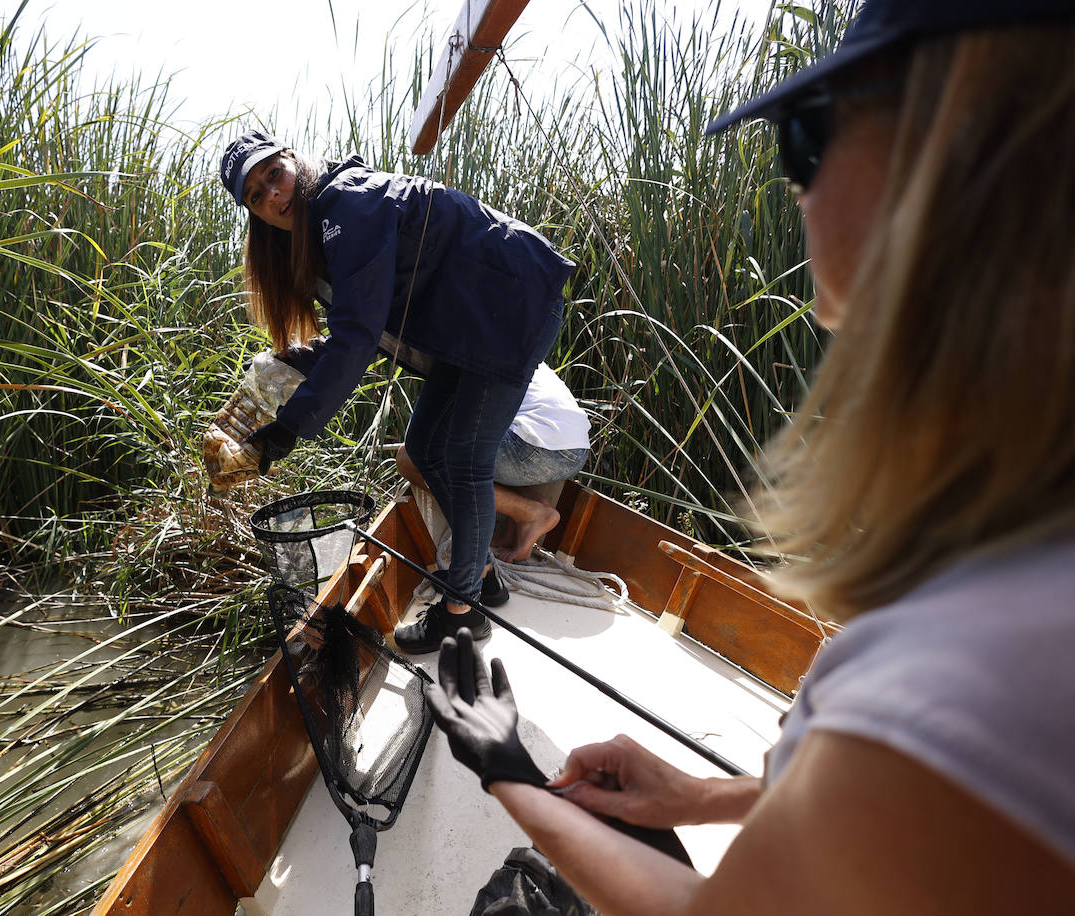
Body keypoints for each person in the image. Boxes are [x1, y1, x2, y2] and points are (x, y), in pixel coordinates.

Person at [426, 1, 1075, 912]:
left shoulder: (973, 650)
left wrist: (506, 770)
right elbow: (902, 813)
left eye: (807, 137)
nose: (796, 186)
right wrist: (697, 797)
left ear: (954, 153)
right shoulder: (1017, 545)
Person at [220, 130, 575, 654]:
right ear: (256, 214)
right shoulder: (322, 226)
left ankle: (463, 613)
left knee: (464, 459)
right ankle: (478, 573)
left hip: (513, 305)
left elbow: (358, 337)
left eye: (274, 173)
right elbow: (356, 325)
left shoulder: (348, 206)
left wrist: (289, 430)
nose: (274, 194)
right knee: (426, 449)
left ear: (293, 160)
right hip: (473, 326)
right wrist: (291, 368)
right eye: (256, 195)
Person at [394, 361, 591, 605]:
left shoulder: (462, 351)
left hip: (534, 448)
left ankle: (531, 512)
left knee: (410, 458)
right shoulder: (507, 343)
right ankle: (528, 506)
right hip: (575, 451)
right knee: (476, 441)